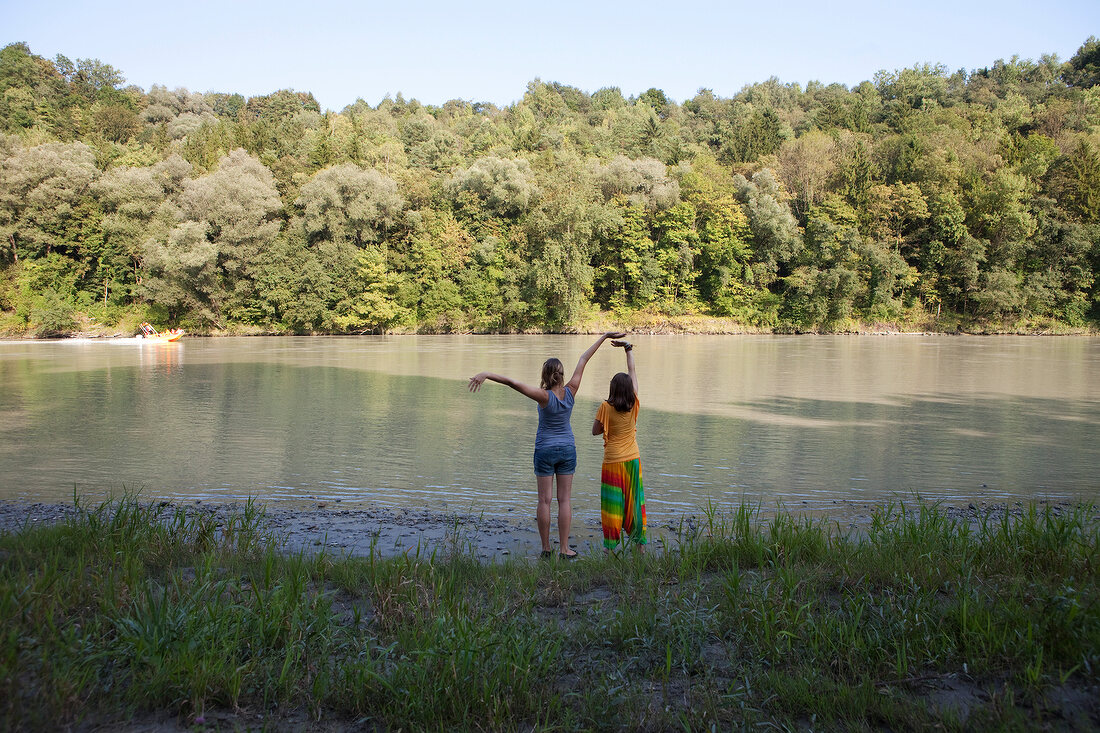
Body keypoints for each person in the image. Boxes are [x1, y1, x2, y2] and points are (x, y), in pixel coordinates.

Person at [469, 332, 625, 559]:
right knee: (565, 500)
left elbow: (513, 383)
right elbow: (584, 359)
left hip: (544, 450)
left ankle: (546, 549)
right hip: (567, 450)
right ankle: (564, 548)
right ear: (561, 375)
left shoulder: (543, 396)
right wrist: (604, 336)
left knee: (544, 500)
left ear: (545, 376)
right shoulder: (571, 391)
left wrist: (486, 373)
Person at [591, 339, 647, 552]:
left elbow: (595, 431)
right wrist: (628, 348)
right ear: (630, 390)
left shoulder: (606, 407)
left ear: (612, 389)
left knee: (612, 505)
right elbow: (632, 370)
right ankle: (640, 546)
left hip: (613, 461)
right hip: (633, 459)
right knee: (634, 502)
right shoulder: (634, 403)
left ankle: (610, 547)